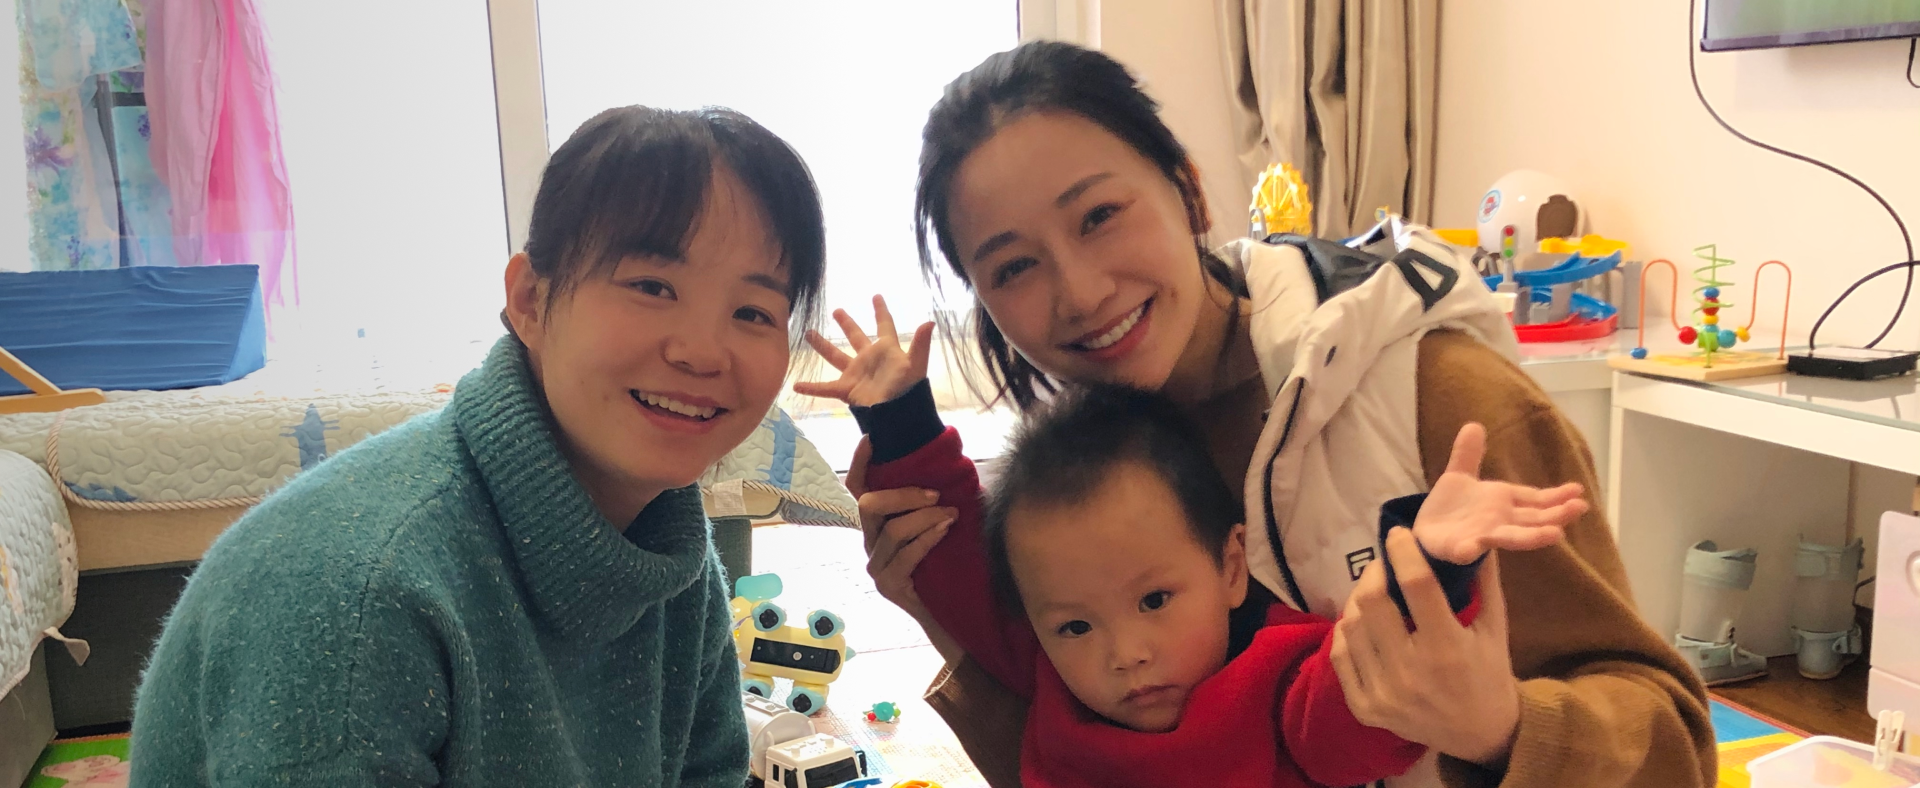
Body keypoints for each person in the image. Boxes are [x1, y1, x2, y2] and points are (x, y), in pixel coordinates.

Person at [825, 41, 1715, 788]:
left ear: (1190, 192)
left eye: (1098, 216)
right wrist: (939, 613)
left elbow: (1674, 749)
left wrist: (1502, 729)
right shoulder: (1076, 474)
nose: (1081, 292)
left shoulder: (1437, 396)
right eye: (1013, 267)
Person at [130, 105, 827, 786]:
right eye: (652, 286)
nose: (702, 351)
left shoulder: (665, 548)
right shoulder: (359, 594)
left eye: (752, 312)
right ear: (529, 302)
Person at [804, 353, 1585, 786]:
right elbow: (954, 557)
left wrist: (1433, 562)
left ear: (1232, 566)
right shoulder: (1045, 664)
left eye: (1154, 599)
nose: (1125, 653)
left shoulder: (1283, 676)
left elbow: (1370, 692)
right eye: (1075, 626)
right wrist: (900, 422)